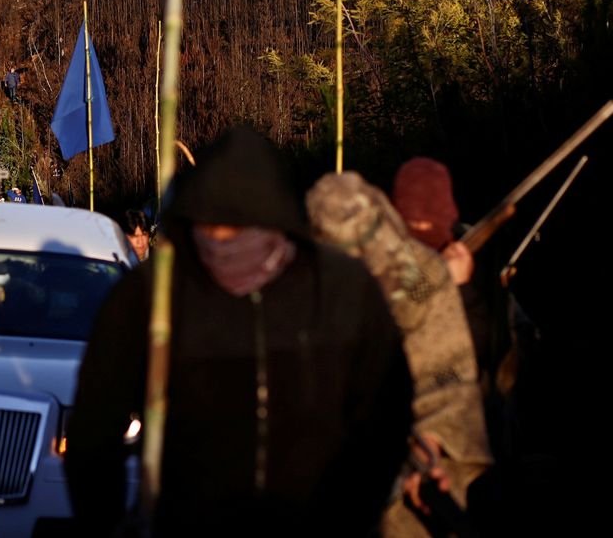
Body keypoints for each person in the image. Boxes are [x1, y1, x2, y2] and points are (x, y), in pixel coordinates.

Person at [65, 127, 412, 535]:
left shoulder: (338, 289)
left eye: (238, 232)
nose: (223, 246)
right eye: (209, 230)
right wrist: (106, 521)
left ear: (275, 222)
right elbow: (95, 426)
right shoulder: (151, 297)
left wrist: (354, 512)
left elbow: (385, 411)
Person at [307, 170, 492, 537]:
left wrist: (431, 443)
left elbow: (448, 373)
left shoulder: (423, 276)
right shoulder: (297, 287)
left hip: (418, 472)